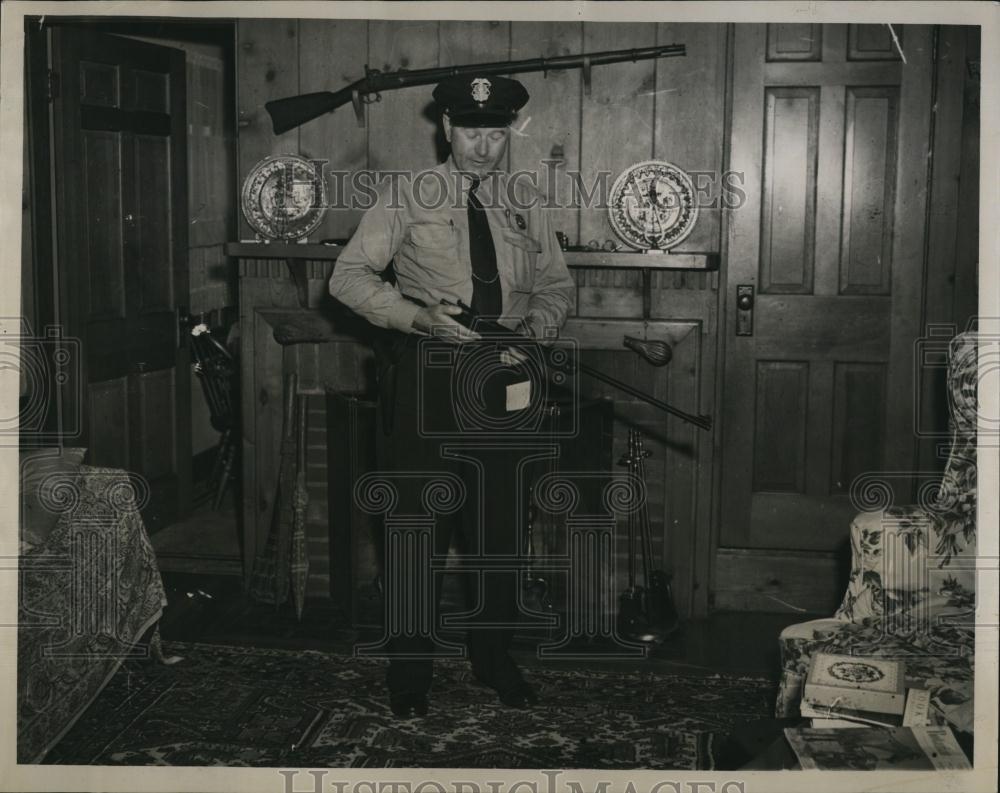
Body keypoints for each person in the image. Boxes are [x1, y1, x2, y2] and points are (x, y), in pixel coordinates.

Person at [328, 74, 575, 719]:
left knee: (500, 531)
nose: (483, 148)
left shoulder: (526, 200)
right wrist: (416, 316)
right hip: (428, 378)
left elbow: (557, 286)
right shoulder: (406, 194)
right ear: (446, 129)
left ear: (509, 133)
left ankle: (494, 660)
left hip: (505, 379)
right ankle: (410, 672)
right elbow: (347, 278)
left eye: (496, 134)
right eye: (471, 133)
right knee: (416, 530)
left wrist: (536, 331)